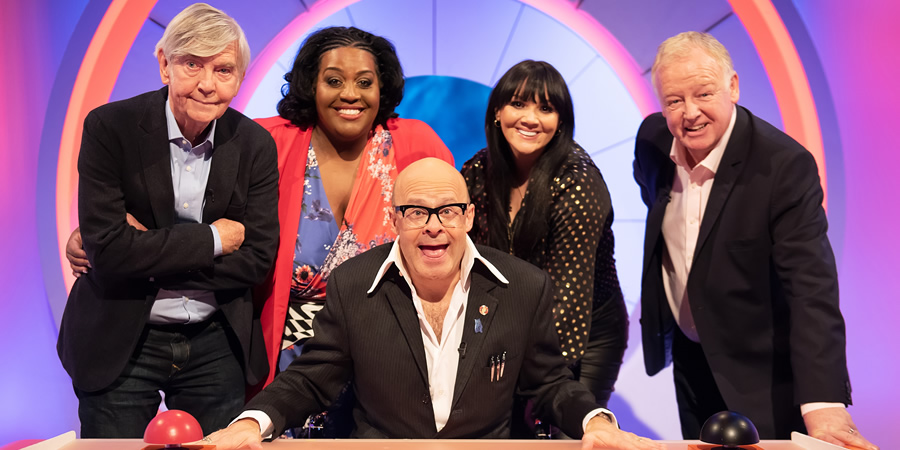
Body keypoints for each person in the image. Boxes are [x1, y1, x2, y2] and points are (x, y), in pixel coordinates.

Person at [201, 158, 662, 450]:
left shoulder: (523, 286)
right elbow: (310, 380)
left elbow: (552, 384)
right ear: (395, 219)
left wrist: (594, 421)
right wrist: (252, 422)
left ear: (468, 216)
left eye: (448, 211)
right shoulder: (352, 284)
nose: (434, 227)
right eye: (417, 212)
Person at [633, 31, 877, 449]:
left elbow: (811, 289)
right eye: (674, 100)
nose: (689, 113)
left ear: (733, 87)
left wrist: (824, 403)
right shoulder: (653, 141)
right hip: (691, 361)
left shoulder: (783, 166)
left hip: (762, 372)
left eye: (703, 94)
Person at [56, 3, 279, 438]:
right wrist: (214, 238)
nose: (207, 84)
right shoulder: (109, 128)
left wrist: (145, 248)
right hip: (120, 334)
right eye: (192, 64)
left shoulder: (255, 144)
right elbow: (108, 252)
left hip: (216, 341)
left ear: (239, 77)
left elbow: (256, 261)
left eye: (224, 69)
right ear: (164, 64)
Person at [460, 60, 628, 418]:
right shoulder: (476, 172)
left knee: (569, 431)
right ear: (497, 113)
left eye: (546, 108)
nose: (531, 118)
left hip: (584, 333)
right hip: (514, 327)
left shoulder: (578, 183)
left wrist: (535, 379)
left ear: (560, 122)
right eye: (518, 104)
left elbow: (567, 301)